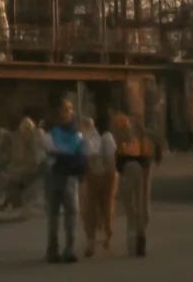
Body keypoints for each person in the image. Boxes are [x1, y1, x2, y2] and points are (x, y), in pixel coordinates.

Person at [41, 98, 87, 263]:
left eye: (68, 110)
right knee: (53, 214)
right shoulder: (51, 134)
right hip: (55, 176)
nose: (65, 113)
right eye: (63, 110)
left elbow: (81, 155)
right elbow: (51, 150)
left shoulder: (77, 134)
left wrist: (68, 158)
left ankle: (69, 249)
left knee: (71, 213)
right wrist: (68, 156)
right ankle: (53, 249)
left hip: (70, 178)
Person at [112, 112, 162, 258]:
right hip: (129, 171)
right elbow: (115, 159)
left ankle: (140, 236)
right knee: (133, 209)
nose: (128, 128)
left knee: (144, 210)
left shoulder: (146, 138)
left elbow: (153, 155)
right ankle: (135, 238)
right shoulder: (119, 137)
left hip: (143, 170)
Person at [78, 116, 118, 256]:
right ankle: (96, 240)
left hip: (102, 176)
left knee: (102, 209)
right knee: (94, 209)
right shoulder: (93, 138)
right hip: (97, 176)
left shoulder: (102, 138)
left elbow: (93, 153)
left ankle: (103, 238)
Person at [0, 118, 38, 213]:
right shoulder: (32, 137)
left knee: (16, 184)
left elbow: (20, 155)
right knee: (17, 186)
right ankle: (10, 204)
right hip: (30, 167)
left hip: (26, 167)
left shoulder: (24, 137)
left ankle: (11, 205)